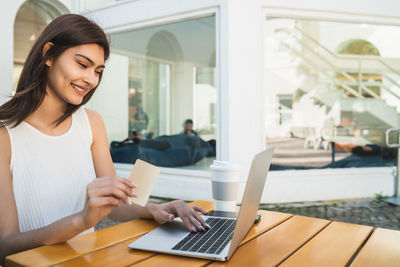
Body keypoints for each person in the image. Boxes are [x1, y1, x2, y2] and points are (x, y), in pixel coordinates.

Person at [0, 14, 208, 262]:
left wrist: (154, 209)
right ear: (49, 54)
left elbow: (115, 205)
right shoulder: (5, 135)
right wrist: (81, 220)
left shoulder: (92, 123)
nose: (91, 79)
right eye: (82, 64)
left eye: (98, 71)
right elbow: (6, 245)